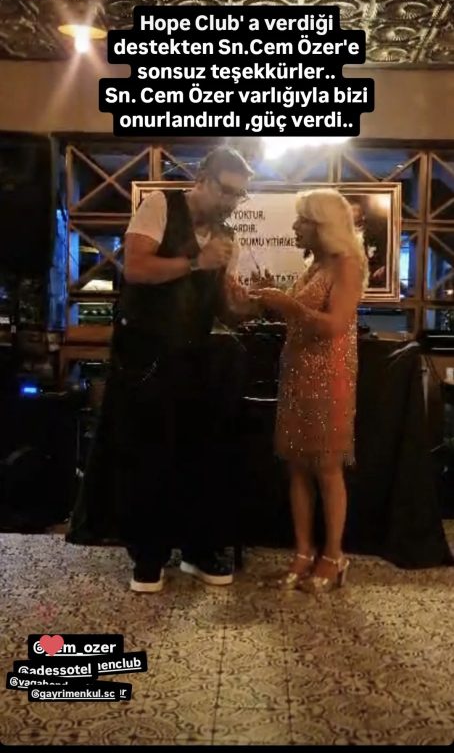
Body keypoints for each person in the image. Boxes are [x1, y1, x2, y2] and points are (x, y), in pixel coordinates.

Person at [67, 146, 255, 593]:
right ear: (202, 179)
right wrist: (197, 261)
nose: (231, 202)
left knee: (196, 455)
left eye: (239, 195)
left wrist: (243, 304)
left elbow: (220, 306)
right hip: (145, 357)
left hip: (193, 357)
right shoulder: (160, 205)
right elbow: (136, 268)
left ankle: (195, 549)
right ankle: (147, 557)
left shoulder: (227, 236)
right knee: (147, 455)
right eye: (227, 191)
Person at [250, 188, 368, 593]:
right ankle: (302, 553)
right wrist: (270, 298)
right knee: (297, 465)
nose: (295, 226)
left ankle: (334, 556)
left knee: (327, 467)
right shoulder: (313, 264)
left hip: (329, 375)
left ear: (323, 225)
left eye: (302, 220)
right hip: (298, 371)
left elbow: (335, 325)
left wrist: (287, 305)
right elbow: (301, 317)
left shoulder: (347, 264)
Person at [349, 197, 387, 287]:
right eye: (349, 211)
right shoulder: (340, 233)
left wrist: (383, 267)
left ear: (362, 214)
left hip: (370, 277)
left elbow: (384, 252)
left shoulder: (373, 233)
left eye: (354, 210)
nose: (351, 213)